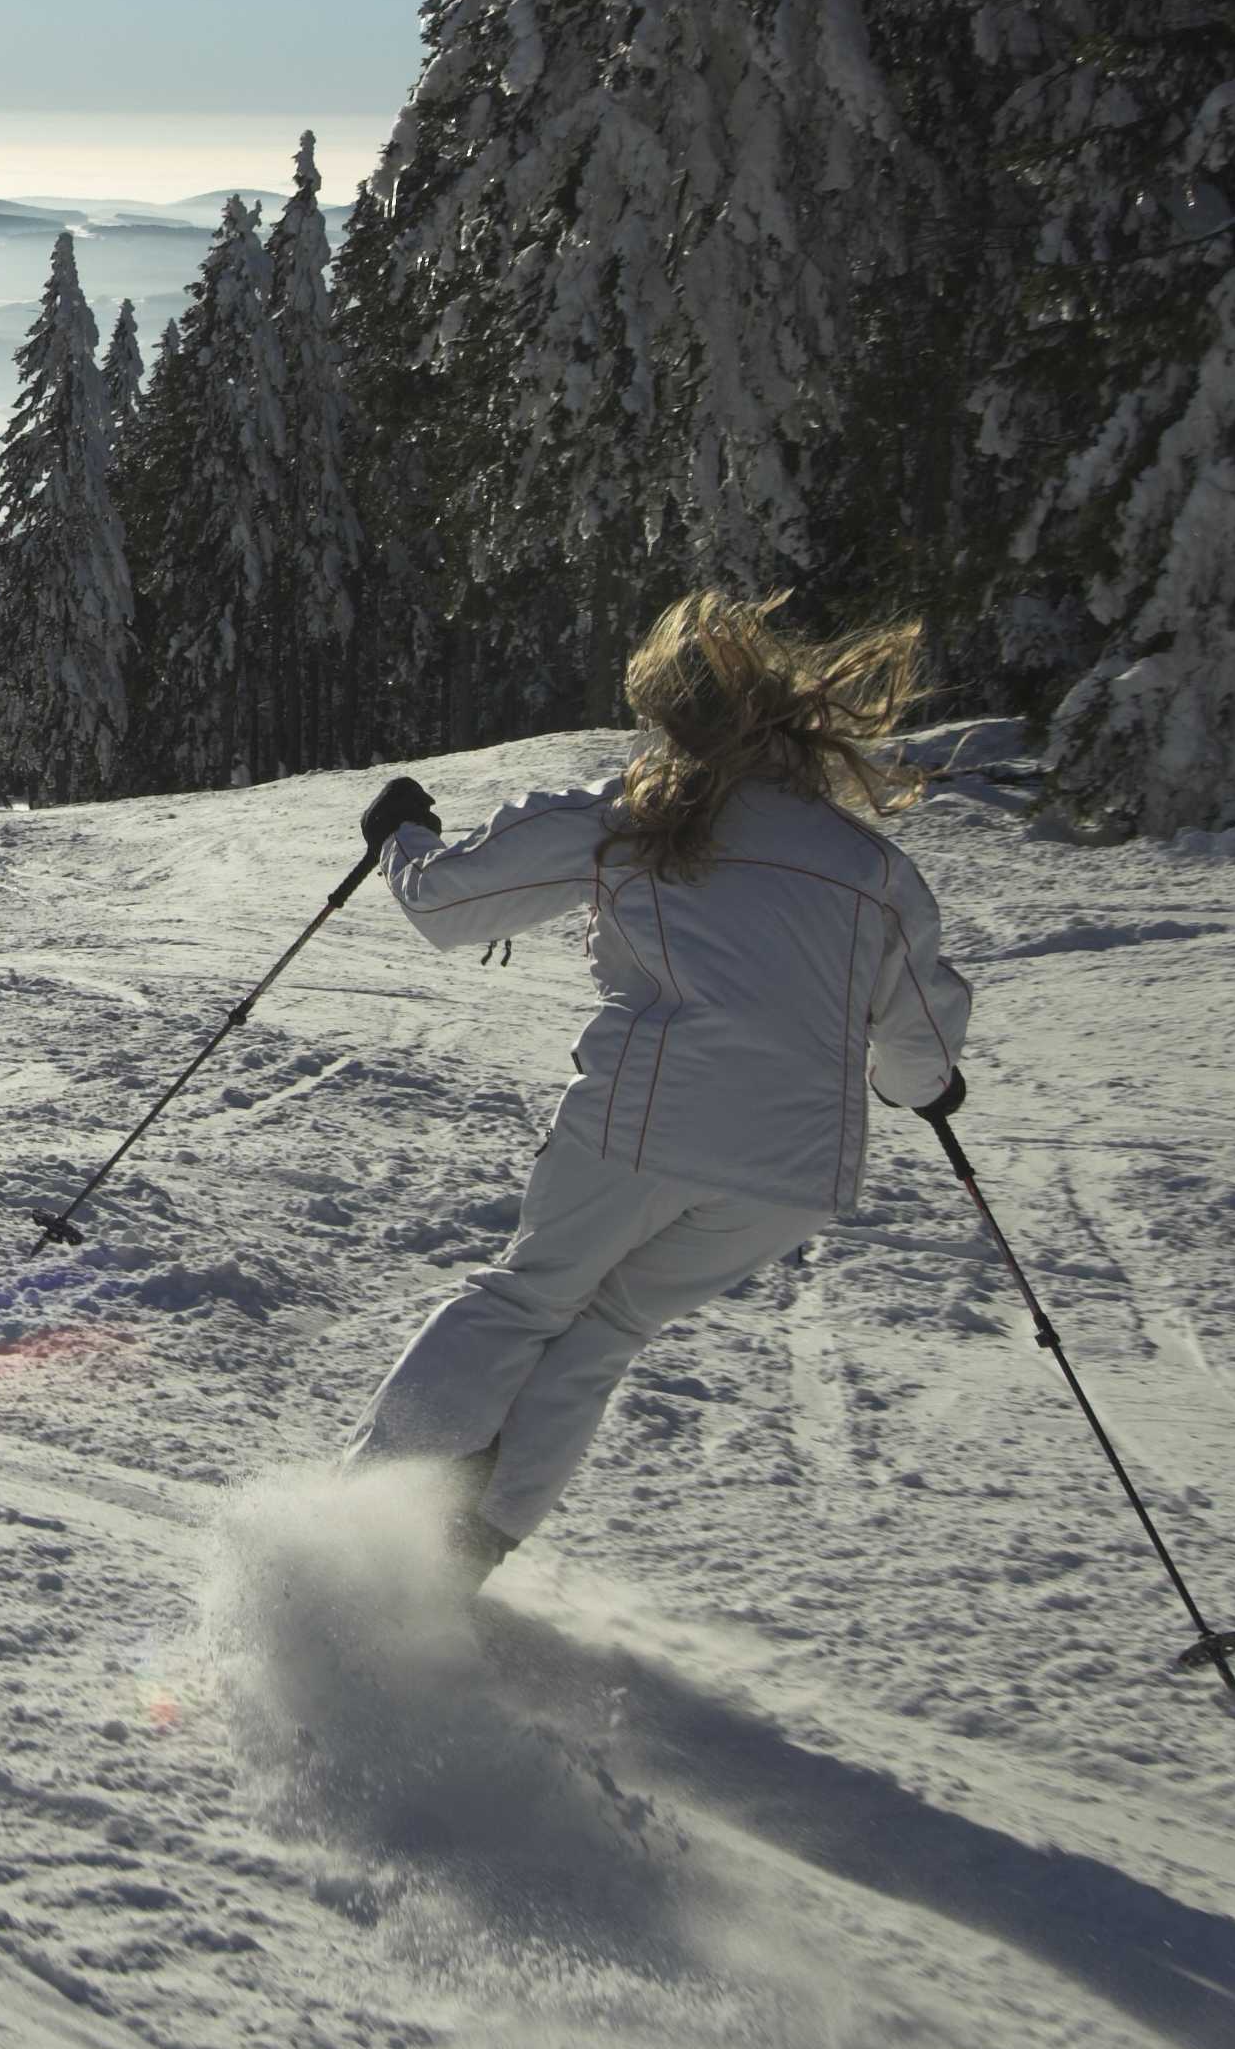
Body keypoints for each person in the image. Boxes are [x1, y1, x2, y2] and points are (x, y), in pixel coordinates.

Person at [348, 592, 971, 1581]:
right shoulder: (871, 869)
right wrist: (927, 1089)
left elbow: (448, 904)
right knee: (607, 1325)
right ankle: (472, 1548)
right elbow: (918, 1053)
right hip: (796, 1171)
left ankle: (356, 1537)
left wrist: (400, 835)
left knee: (525, 1301)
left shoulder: (636, 815)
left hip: (647, 1121)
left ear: (675, 720)